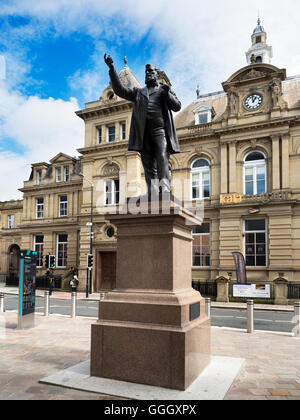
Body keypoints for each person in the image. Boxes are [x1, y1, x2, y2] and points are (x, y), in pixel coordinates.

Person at [104, 54, 181, 196]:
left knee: (162, 157)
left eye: (150, 72)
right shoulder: (139, 92)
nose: (147, 75)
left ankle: (164, 189)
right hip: (143, 132)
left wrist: (167, 93)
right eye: (146, 73)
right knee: (147, 162)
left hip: (160, 131)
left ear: (157, 75)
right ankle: (152, 191)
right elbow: (120, 90)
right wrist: (112, 69)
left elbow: (177, 106)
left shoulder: (164, 90)